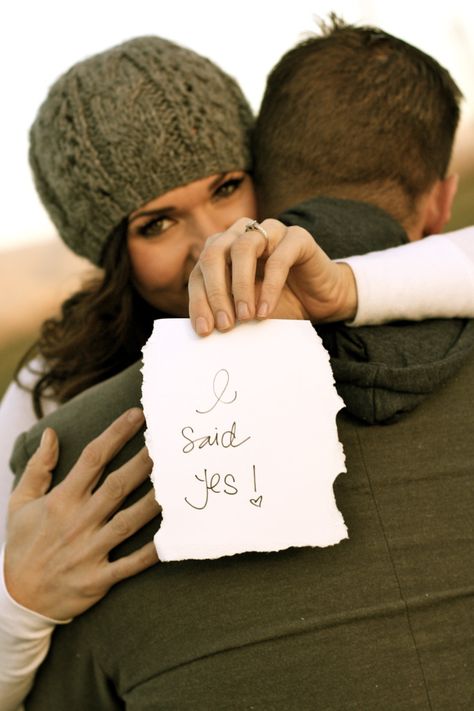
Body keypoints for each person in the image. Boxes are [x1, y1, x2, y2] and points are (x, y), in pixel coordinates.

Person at [4, 19, 474, 709]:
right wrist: (19, 605)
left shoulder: (334, 280)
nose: (211, 240)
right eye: (155, 224)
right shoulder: (42, 403)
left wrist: (349, 289)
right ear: (111, 252)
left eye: (226, 187)